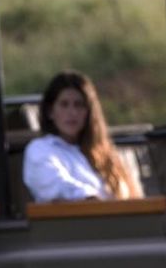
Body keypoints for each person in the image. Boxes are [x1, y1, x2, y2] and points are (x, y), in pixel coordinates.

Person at [23, 71, 144, 202]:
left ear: (89, 112)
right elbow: (56, 187)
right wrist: (93, 199)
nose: (72, 113)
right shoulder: (41, 150)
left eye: (79, 105)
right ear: (50, 112)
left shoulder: (104, 153)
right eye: (64, 105)